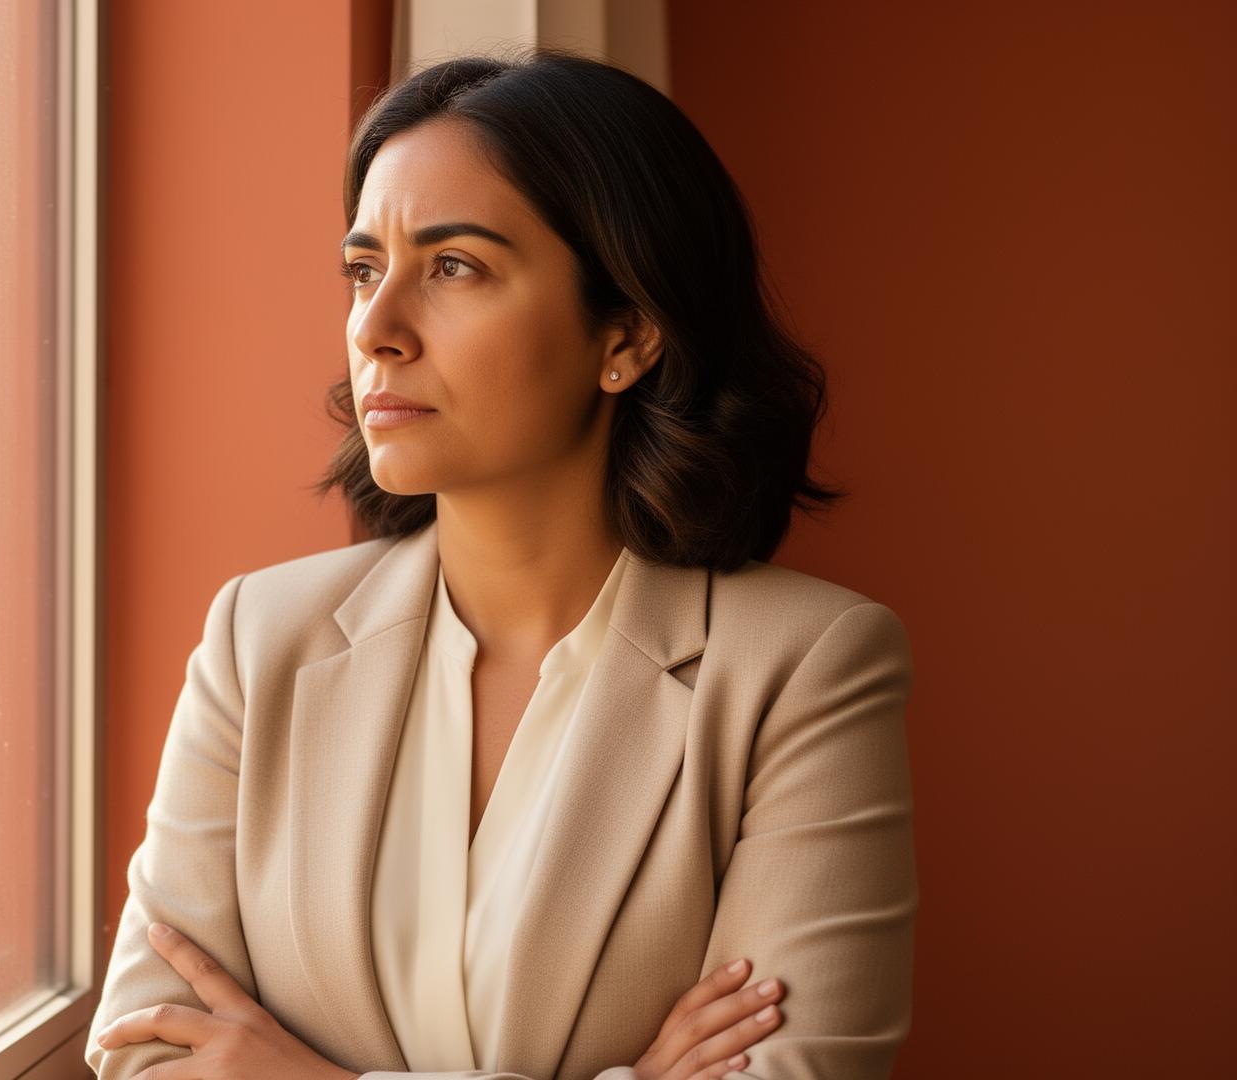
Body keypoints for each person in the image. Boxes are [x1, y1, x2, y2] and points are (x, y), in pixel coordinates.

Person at [86, 47, 916, 1080]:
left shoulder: (804, 667)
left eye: (453, 267)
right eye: (362, 270)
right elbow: (144, 1054)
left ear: (629, 332)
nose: (375, 329)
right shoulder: (260, 639)